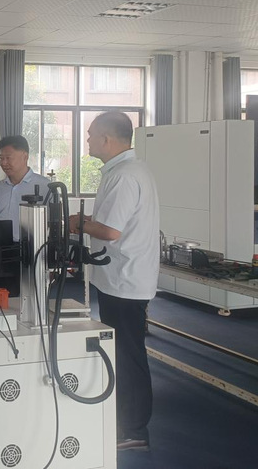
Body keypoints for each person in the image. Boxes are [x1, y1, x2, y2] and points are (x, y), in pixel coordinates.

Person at [69, 112, 160, 453]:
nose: (88, 140)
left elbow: (110, 231)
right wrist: (87, 221)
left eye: (90, 135)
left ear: (106, 139)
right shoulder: (126, 171)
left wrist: (77, 222)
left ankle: (134, 429)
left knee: (128, 355)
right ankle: (125, 422)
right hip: (119, 278)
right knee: (123, 352)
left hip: (125, 281)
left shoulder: (125, 175)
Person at [0, 135, 51, 296]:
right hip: (3, 250)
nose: (4, 163)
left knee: (32, 297)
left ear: (25, 156)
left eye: (8, 158)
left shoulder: (45, 186)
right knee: (4, 296)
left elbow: (52, 223)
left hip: (33, 250)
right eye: (1, 158)